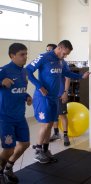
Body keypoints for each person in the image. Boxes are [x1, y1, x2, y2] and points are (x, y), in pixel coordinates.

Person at [26, 40, 90, 164]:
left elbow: (66, 73)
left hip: (54, 97)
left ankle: (45, 150)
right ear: (60, 48)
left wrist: (81, 77)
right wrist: (39, 86)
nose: (65, 56)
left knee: (50, 124)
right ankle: (38, 152)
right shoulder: (44, 57)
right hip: (43, 97)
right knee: (45, 124)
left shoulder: (61, 61)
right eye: (64, 53)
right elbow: (28, 71)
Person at [0, 43, 32, 184]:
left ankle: (9, 167)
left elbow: (21, 89)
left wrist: (27, 96)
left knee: (25, 143)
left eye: (26, 54)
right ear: (12, 56)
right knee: (9, 149)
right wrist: (1, 83)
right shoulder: (4, 70)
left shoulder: (24, 72)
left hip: (20, 116)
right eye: (22, 54)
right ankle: (0, 171)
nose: (25, 57)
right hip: (5, 117)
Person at [46, 44, 71, 146]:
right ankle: (56, 133)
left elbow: (68, 78)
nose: (48, 52)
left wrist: (65, 92)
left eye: (50, 50)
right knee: (53, 115)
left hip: (60, 93)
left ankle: (65, 135)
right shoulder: (46, 62)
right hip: (50, 95)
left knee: (62, 115)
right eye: (47, 50)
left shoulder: (62, 63)